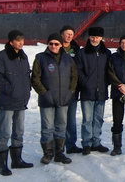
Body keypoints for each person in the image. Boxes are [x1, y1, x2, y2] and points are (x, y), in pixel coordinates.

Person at [0, 30, 33, 176]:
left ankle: (17, 161)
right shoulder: (2, 56)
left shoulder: (23, 56)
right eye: (18, 40)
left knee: (19, 131)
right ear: (11, 42)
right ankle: (2, 165)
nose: (21, 43)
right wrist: (9, 89)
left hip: (21, 100)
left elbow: (26, 76)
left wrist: (27, 90)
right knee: (5, 132)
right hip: (7, 101)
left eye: (22, 40)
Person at [31, 32, 78, 165]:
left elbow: (74, 77)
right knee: (47, 127)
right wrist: (44, 93)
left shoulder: (68, 59)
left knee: (61, 126)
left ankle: (59, 153)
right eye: (51, 43)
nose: (53, 46)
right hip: (47, 100)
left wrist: (70, 92)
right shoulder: (40, 58)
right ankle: (48, 153)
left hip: (63, 99)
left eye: (56, 44)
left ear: (61, 45)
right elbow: (35, 78)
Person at [75, 26, 111, 155]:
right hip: (87, 92)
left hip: (101, 91)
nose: (95, 39)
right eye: (92, 37)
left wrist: (106, 83)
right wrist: (86, 83)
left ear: (101, 38)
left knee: (98, 118)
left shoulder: (107, 53)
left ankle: (96, 142)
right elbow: (78, 71)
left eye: (97, 37)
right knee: (87, 119)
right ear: (89, 37)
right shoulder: (82, 53)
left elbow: (110, 71)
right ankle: (86, 143)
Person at [60, 25, 82, 154]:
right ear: (61, 34)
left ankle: (71, 144)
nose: (69, 36)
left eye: (71, 34)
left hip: (73, 90)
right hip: (58, 90)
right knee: (60, 119)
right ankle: (59, 146)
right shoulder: (55, 47)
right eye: (67, 33)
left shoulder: (76, 50)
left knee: (71, 119)